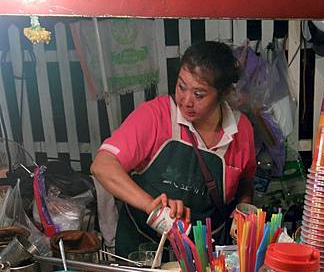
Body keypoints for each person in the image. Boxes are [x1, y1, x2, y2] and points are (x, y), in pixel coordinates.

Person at [91, 41, 256, 257]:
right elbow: (102, 165)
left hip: (204, 257)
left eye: (199, 94)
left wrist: (244, 207)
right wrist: (150, 205)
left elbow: (246, 180)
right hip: (143, 252)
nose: (186, 101)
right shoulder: (155, 116)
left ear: (223, 93)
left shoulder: (241, 130)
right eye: (181, 86)